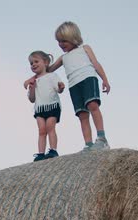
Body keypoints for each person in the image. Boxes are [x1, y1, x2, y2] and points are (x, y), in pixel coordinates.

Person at [25, 21, 112, 151]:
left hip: (88, 79)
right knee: (82, 115)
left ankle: (102, 139)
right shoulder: (63, 58)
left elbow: (96, 63)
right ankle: (88, 144)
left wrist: (104, 79)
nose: (60, 44)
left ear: (73, 38)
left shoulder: (85, 48)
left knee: (93, 106)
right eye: (58, 42)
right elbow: (46, 71)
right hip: (73, 85)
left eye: (63, 41)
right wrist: (31, 79)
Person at [27, 50, 65, 162]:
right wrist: (32, 87)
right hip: (39, 108)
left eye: (36, 61)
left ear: (46, 62)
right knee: (41, 130)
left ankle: (53, 150)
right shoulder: (34, 80)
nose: (33, 64)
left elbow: (58, 89)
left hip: (52, 106)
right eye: (31, 63)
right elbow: (31, 99)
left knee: (50, 128)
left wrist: (61, 87)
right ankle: (40, 154)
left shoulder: (52, 76)